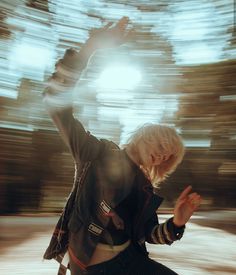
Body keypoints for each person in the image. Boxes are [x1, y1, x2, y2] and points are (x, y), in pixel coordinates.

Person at [43, 17, 201, 275]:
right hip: (89, 264)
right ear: (143, 136)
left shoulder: (144, 188)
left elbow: (150, 234)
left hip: (129, 262)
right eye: (161, 144)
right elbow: (56, 105)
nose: (161, 155)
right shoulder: (97, 153)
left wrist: (177, 222)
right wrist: (89, 49)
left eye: (167, 156)